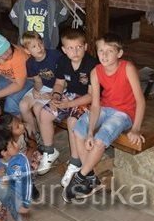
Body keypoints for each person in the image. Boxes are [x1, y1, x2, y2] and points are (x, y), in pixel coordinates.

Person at [65, 33, 145, 202]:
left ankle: (79, 176)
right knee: (78, 128)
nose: (104, 55)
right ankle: (91, 178)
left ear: (119, 53)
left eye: (110, 51)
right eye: (101, 51)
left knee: (101, 138)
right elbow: (95, 105)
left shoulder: (127, 68)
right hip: (104, 107)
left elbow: (140, 100)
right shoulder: (96, 71)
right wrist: (89, 133)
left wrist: (136, 128)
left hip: (124, 113)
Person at [47, 28, 98, 187]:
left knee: (71, 121)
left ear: (86, 47)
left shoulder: (92, 65)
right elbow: (60, 83)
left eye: (78, 47)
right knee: (44, 113)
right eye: (70, 48)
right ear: (63, 49)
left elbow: (91, 96)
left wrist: (68, 104)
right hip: (70, 95)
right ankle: (48, 152)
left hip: (88, 100)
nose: (75, 51)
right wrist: (56, 95)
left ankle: (75, 161)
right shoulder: (63, 61)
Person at [17, 31, 61, 175]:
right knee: (23, 105)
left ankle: (45, 141)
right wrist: (37, 91)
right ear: (27, 50)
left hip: (57, 88)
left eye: (40, 43)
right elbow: (37, 81)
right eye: (34, 46)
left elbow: (63, 79)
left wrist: (52, 93)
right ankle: (34, 138)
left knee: (37, 108)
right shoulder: (30, 62)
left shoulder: (55, 55)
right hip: (43, 88)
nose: (40, 48)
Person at [0, 133, 33, 221]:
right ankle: (5, 205)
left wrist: (25, 203)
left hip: (18, 193)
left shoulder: (21, 159)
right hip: (2, 193)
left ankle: (11, 206)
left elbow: (27, 183)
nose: (16, 144)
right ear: (4, 152)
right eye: (12, 144)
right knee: (1, 184)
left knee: (22, 220)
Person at [0, 33, 32, 118]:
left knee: (11, 102)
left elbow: (19, 84)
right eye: (1, 52)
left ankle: (17, 125)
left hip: (28, 79)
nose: (7, 53)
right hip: (9, 78)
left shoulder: (18, 55)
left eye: (7, 48)